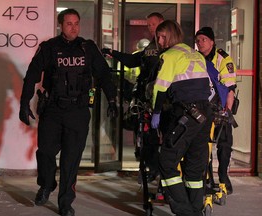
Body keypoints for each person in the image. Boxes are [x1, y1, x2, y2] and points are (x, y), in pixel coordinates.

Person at [19, 8, 118, 216]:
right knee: (45, 152)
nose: (73, 27)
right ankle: (46, 184)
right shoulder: (49, 48)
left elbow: (104, 75)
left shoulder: (88, 48)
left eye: (76, 23)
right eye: (68, 23)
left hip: (78, 111)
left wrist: (112, 98)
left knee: (70, 160)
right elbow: (32, 75)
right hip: (53, 110)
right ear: (60, 25)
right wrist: (24, 102)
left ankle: (65, 202)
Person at [151, 20, 213, 216]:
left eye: (163, 36)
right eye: (158, 37)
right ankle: (195, 210)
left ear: (172, 35)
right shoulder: (196, 54)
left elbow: (160, 88)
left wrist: (156, 112)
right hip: (204, 114)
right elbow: (209, 89)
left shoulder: (169, 56)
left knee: (167, 162)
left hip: (187, 114)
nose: (160, 41)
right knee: (195, 168)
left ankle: (185, 212)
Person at [102, 12, 164, 182]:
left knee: (160, 139)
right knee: (147, 137)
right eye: (149, 25)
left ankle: (159, 171)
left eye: (154, 24)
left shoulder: (170, 46)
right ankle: (151, 169)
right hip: (147, 100)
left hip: (164, 101)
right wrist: (112, 52)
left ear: (163, 24)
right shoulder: (151, 47)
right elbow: (132, 60)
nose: (151, 27)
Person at [195, 26, 237, 194]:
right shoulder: (195, 58)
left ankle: (223, 176)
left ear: (212, 42)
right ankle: (208, 177)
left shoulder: (223, 59)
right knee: (204, 144)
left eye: (204, 40)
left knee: (225, 144)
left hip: (220, 106)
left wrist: (226, 113)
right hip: (202, 107)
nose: (200, 43)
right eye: (198, 40)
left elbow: (230, 89)